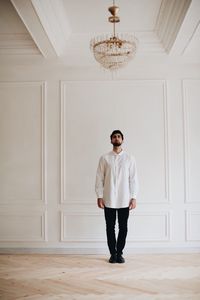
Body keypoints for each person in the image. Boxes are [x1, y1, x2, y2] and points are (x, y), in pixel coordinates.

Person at [95, 130, 139, 264]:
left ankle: (119, 253)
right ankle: (112, 254)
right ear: (111, 140)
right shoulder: (104, 158)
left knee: (123, 227)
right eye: (114, 137)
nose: (116, 138)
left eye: (119, 136)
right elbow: (99, 178)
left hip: (125, 199)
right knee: (110, 227)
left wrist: (134, 197)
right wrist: (99, 196)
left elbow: (133, 179)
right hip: (108, 199)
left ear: (122, 139)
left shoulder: (130, 158)